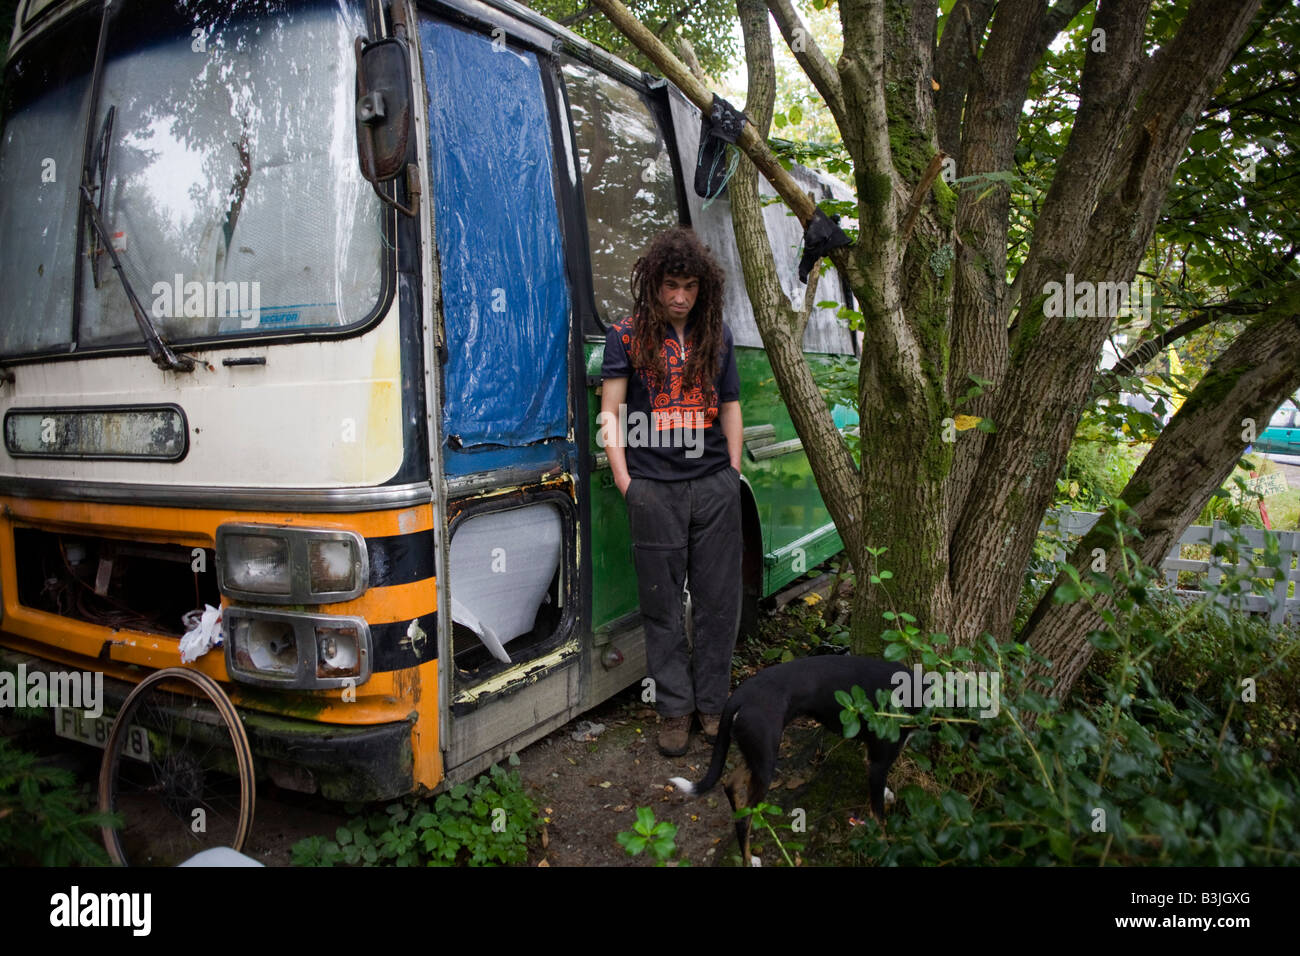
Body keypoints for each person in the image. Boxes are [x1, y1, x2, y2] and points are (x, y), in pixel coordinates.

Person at [599, 226, 743, 757]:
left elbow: (729, 404)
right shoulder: (627, 335)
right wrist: (624, 479)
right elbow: (609, 412)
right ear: (654, 285)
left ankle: (712, 706)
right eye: (670, 285)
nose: (680, 297)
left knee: (718, 603)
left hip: (713, 487)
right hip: (653, 490)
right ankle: (675, 710)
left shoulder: (717, 334)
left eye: (689, 286)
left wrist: (730, 471)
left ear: (702, 287)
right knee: (661, 608)